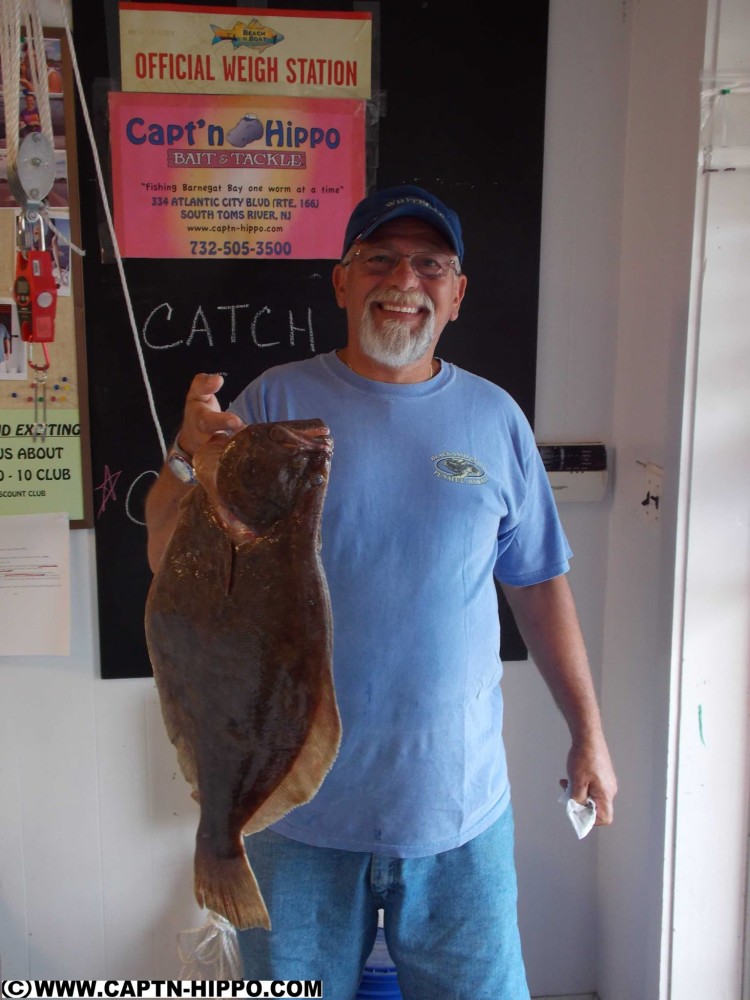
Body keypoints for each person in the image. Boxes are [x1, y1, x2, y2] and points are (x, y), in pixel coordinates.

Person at [145, 184, 618, 999]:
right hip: (293, 815)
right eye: (380, 259)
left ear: (458, 293)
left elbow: (538, 585)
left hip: (458, 813)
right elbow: (166, 551)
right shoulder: (274, 405)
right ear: (342, 281)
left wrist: (589, 734)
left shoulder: (496, 419)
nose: (405, 279)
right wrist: (186, 456)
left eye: (430, 263)